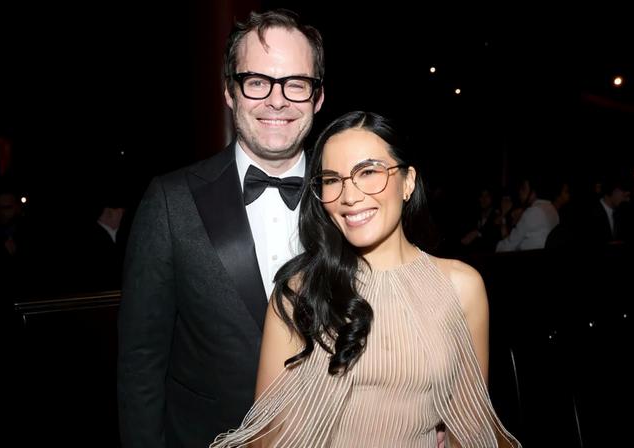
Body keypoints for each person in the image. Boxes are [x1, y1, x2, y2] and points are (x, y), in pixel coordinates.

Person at [212, 111, 521, 447]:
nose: (349, 196)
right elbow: (266, 437)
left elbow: (470, 430)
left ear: (408, 182)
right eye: (332, 179)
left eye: (368, 172)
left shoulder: (461, 287)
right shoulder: (299, 292)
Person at [116, 9, 325, 447]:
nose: (277, 99)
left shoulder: (350, 200)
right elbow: (140, 362)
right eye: (256, 81)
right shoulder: (171, 201)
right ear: (230, 91)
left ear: (317, 98)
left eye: (296, 84)